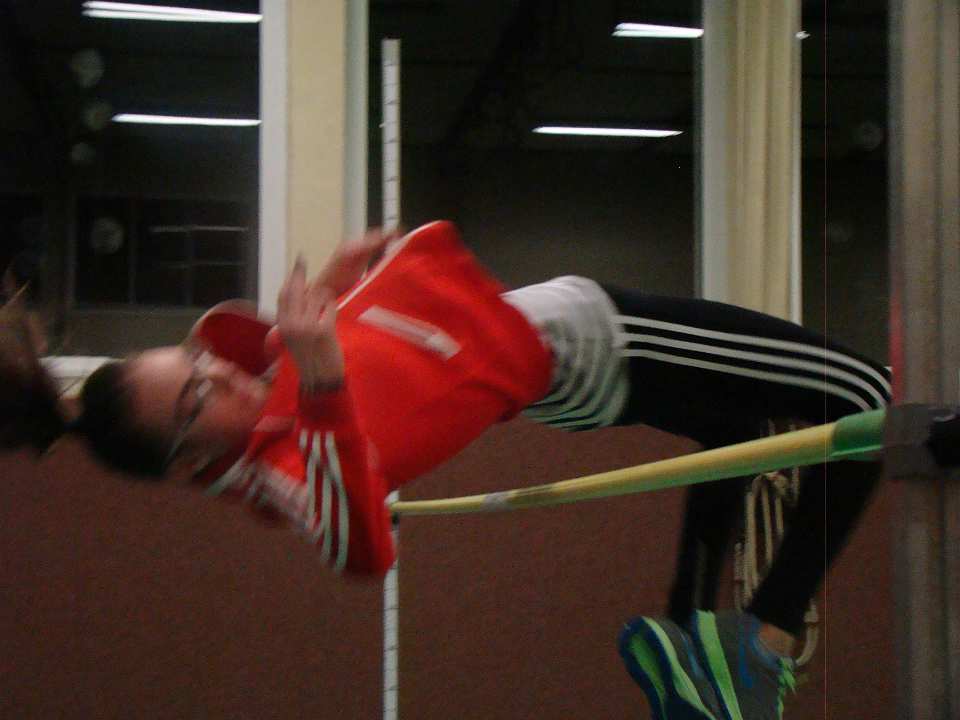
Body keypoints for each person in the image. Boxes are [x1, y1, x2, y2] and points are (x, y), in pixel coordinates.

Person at [6, 220, 890, 720]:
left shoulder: (263, 418)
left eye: (197, 363)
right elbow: (360, 548)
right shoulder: (294, 449)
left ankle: (688, 633)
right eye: (199, 394)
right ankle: (763, 642)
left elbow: (330, 380)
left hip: (558, 369)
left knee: (734, 431)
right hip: (591, 338)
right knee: (866, 398)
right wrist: (323, 376)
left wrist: (342, 291)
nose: (222, 374)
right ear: (192, 455)